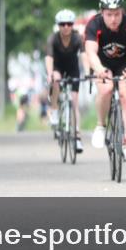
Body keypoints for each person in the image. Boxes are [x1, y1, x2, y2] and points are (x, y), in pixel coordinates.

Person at [84, 0, 126, 163]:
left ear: (122, 12)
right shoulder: (94, 24)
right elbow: (90, 52)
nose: (113, 19)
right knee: (106, 88)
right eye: (109, 14)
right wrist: (99, 69)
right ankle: (101, 125)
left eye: (117, 14)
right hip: (102, 64)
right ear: (101, 13)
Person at [45, 9, 86, 153]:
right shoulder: (53, 39)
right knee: (56, 80)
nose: (66, 27)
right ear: (58, 25)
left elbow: (84, 55)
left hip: (73, 68)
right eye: (63, 24)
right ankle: (55, 110)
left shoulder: (78, 38)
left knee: (74, 102)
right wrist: (50, 73)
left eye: (69, 24)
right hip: (57, 67)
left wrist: (87, 71)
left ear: (72, 25)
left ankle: (77, 137)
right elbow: (49, 58)